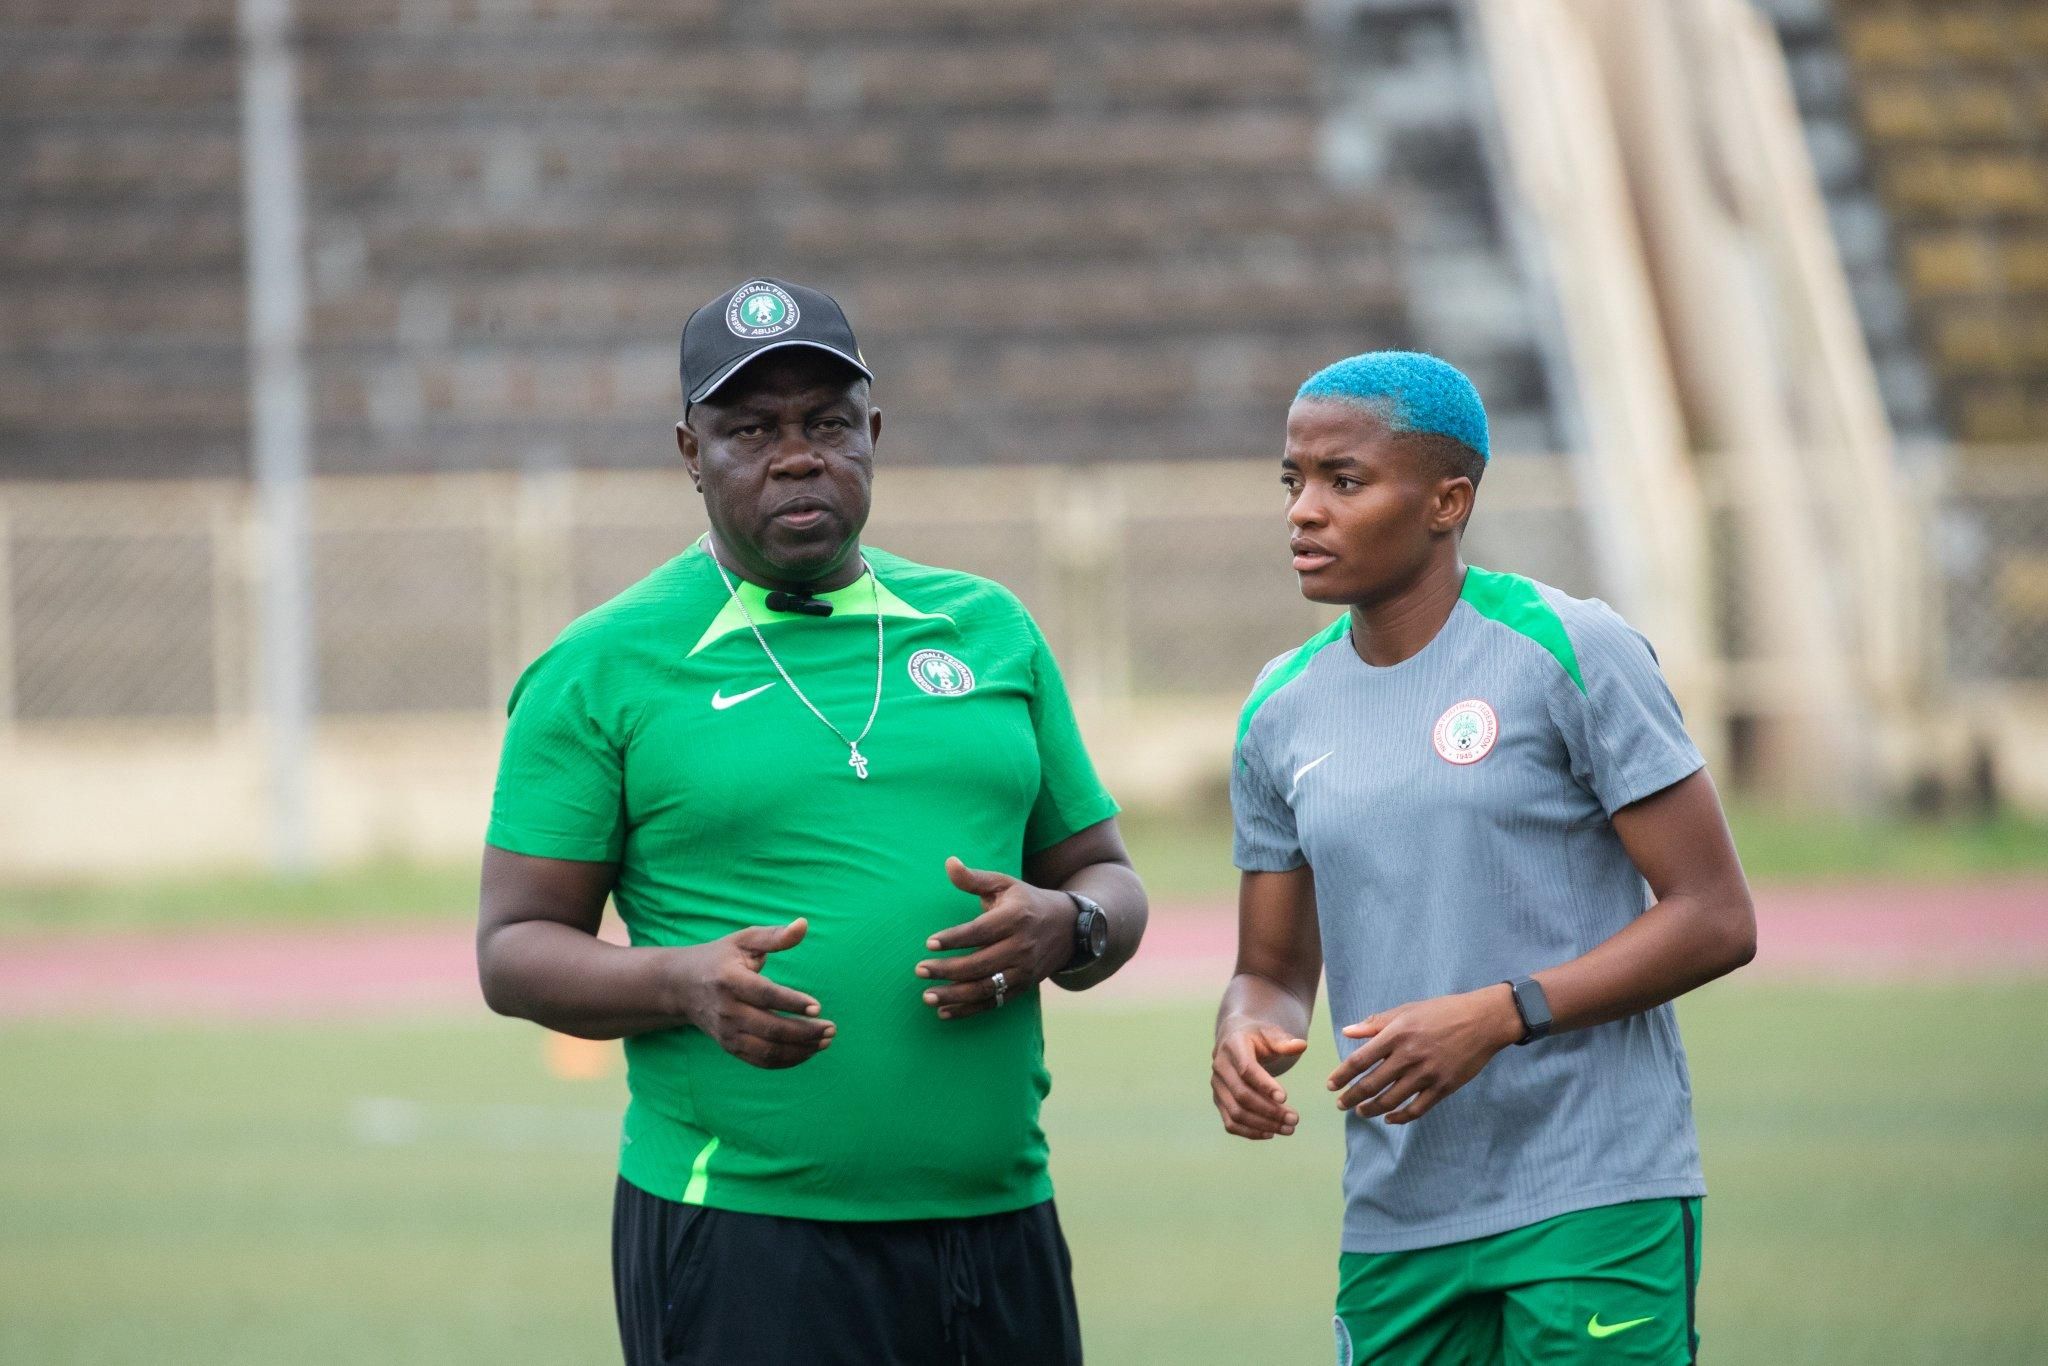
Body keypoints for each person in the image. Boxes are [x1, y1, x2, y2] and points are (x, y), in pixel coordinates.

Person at [477, 278, 1148, 1366]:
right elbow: (513, 950)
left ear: (873, 434)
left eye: (826, 423)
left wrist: (1068, 927)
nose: (796, 457)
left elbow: (1109, 877)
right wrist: (679, 984)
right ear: (691, 453)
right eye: (751, 430)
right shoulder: (602, 664)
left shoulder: (988, 630)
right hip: (744, 1235)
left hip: (1000, 1218)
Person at [1211, 352, 1755, 1364]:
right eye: (1293, 480)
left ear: (1446, 502)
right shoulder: (1278, 709)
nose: (1303, 511)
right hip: (1397, 1217)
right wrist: (1245, 1032)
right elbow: (1271, 970)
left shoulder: (1568, 647)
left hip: (1592, 1194)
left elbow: (1715, 918)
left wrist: (1502, 1013)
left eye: (1343, 480)